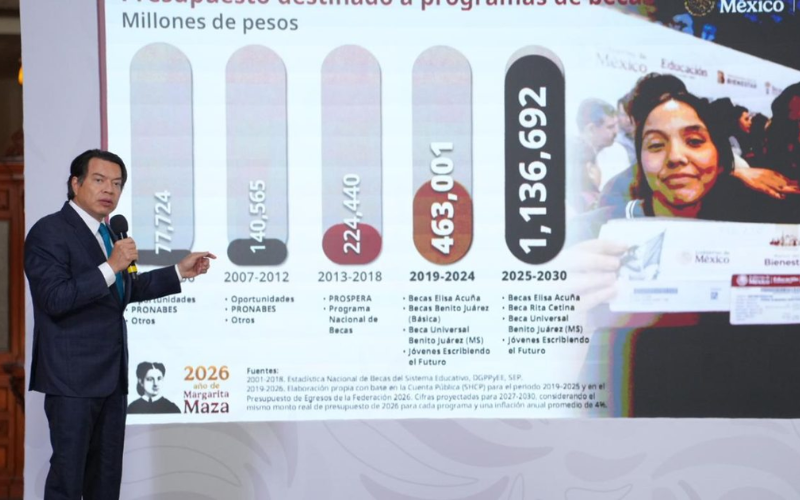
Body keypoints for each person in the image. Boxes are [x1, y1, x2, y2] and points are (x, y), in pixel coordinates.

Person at [565, 76, 800, 417]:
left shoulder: (766, 219)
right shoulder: (595, 233)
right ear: (640, 160)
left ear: (720, 157)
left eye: (694, 141)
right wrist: (557, 310)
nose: (676, 156)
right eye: (655, 145)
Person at [25, 149, 216, 500]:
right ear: (75, 183)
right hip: (71, 381)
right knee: (68, 481)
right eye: (99, 180)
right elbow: (55, 298)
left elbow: (124, 291)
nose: (108, 190)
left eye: (116, 184)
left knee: (106, 481)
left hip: (112, 380)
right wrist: (111, 266)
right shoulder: (49, 232)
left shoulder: (109, 234)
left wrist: (178, 271)